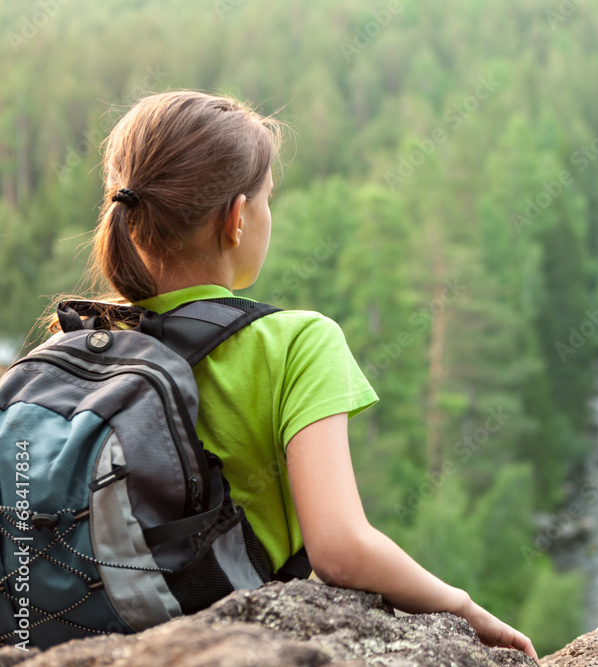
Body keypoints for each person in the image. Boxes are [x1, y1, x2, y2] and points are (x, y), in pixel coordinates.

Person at [50, 90, 537, 661]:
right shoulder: (298, 342)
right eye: (266, 199)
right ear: (236, 218)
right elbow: (340, 549)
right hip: (216, 641)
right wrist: (460, 607)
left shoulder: (76, 341)